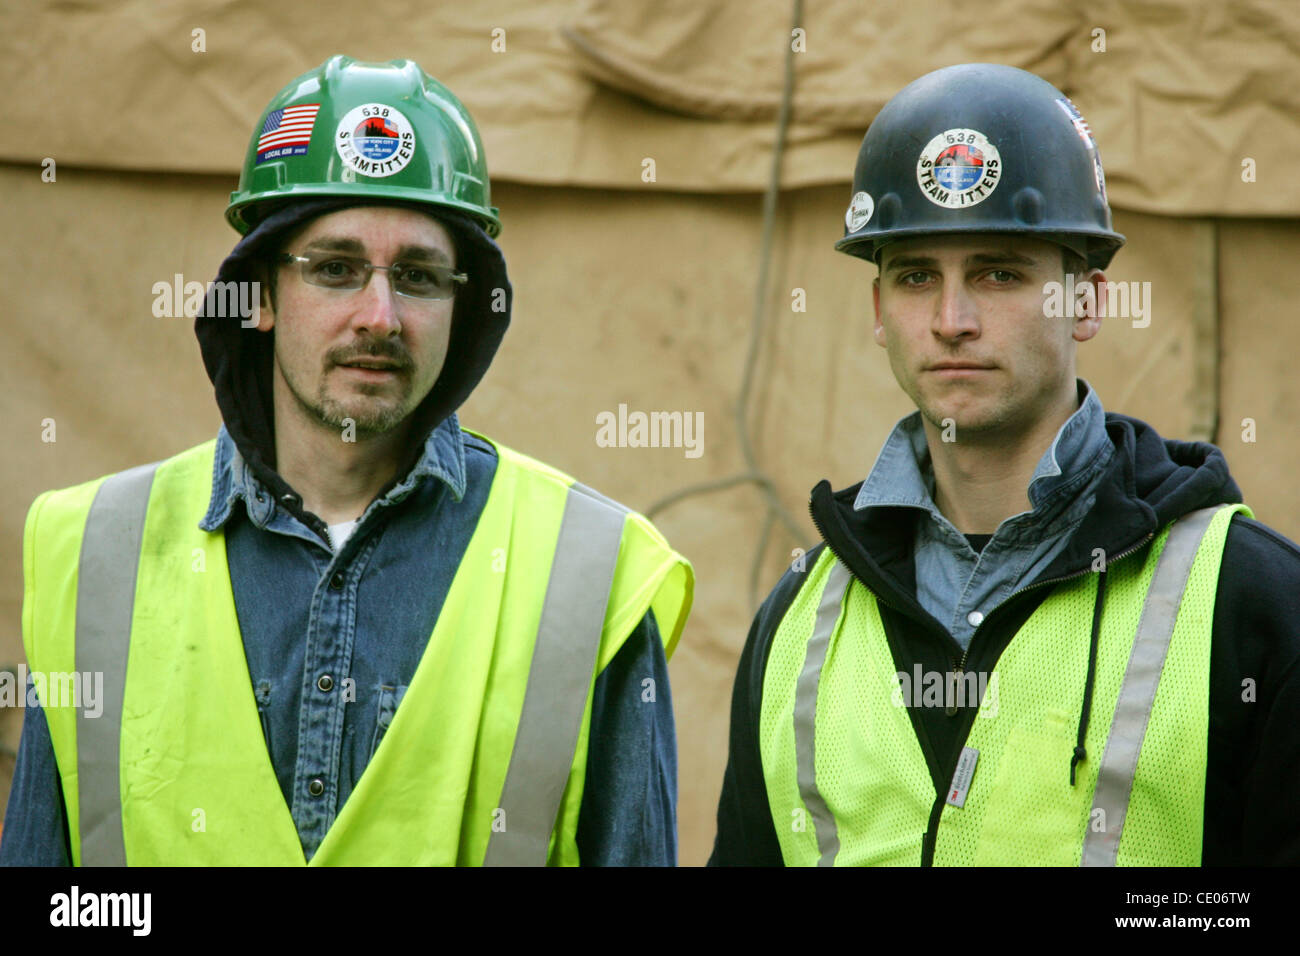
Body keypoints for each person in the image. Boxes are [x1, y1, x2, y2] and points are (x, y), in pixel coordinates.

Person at [1, 55, 692, 867]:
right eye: (335, 269)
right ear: (257, 293)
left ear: (462, 306)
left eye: (420, 276)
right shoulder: (96, 552)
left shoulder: (590, 571)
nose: (381, 315)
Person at [709, 63, 1300, 866]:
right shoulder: (798, 620)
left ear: (1086, 302)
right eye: (917, 277)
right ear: (880, 311)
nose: (952, 321)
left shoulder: (1254, 603)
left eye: (999, 273)